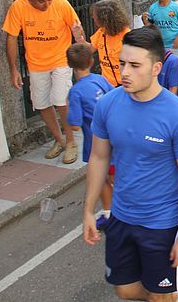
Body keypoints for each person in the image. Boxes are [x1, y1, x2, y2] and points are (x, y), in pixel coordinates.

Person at [82, 26, 178, 302]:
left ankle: (170, 294)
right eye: (122, 63)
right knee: (125, 290)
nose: (125, 72)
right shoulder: (108, 105)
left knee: (159, 296)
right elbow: (99, 157)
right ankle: (177, 296)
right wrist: (88, 210)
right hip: (121, 216)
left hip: (162, 224)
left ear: (156, 68)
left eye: (135, 65)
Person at [3, 0, 85, 163]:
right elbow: (11, 38)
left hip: (61, 59)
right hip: (36, 63)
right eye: (41, 1)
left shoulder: (61, 4)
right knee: (41, 103)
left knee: (61, 100)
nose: (46, 5)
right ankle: (59, 140)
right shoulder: (18, 7)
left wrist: (80, 42)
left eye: (49, 0)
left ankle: (71, 143)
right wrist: (13, 69)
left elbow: (77, 30)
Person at [67, 43, 115, 226]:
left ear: (69, 64)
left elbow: (74, 125)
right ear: (91, 61)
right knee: (117, 175)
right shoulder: (100, 79)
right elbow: (115, 97)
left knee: (101, 178)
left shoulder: (75, 91)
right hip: (114, 136)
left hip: (95, 144)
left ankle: (110, 213)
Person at [89, 0, 131, 88]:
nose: (93, 17)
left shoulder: (127, 35)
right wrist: (79, 37)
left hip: (125, 84)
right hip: (107, 85)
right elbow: (90, 50)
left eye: (95, 15)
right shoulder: (101, 32)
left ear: (103, 18)